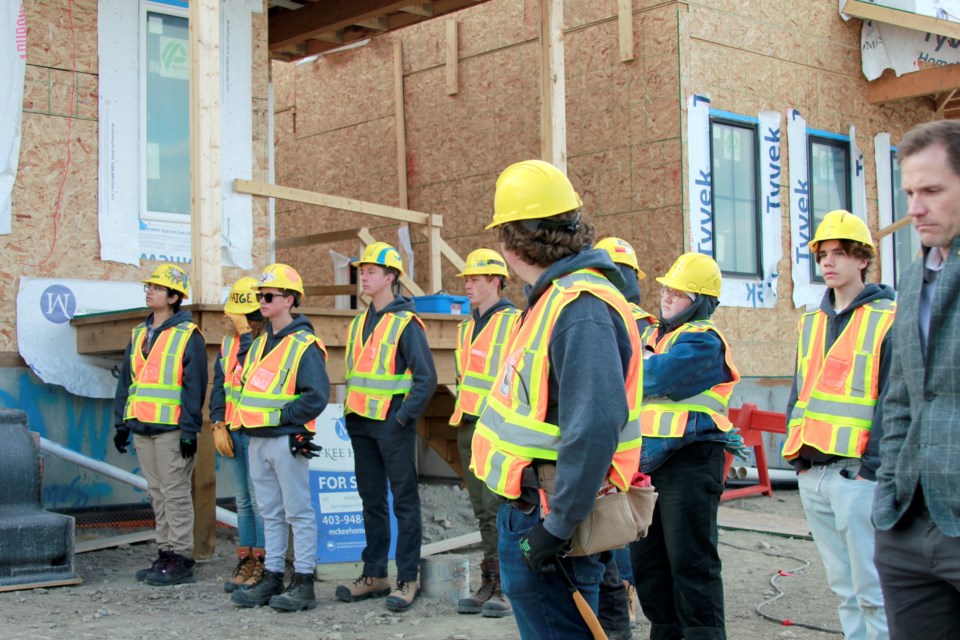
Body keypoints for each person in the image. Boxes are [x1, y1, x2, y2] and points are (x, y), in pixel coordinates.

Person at [470, 159, 643, 639]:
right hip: (536, 506)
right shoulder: (553, 299)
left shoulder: (577, 307)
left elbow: (593, 429)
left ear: (511, 240)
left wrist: (556, 528)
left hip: (549, 515)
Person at [783, 211, 895, 640]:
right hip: (815, 474)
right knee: (844, 590)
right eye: (824, 254)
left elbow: (891, 400)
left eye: (840, 254)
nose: (828, 263)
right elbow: (800, 396)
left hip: (858, 476)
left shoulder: (887, 318)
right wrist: (799, 462)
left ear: (862, 259)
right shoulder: (811, 322)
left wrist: (872, 469)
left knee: (873, 591)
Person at [873, 119, 960, 640]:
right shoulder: (913, 274)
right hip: (907, 526)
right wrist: (888, 501)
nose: (915, 208)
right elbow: (902, 397)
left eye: (931, 191)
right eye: (909, 191)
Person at [629, 252, 740, 640]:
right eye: (667, 291)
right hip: (647, 464)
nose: (667, 299)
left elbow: (657, 377)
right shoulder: (651, 336)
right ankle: (666, 630)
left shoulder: (702, 340)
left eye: (679, 294)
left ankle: (702, 634)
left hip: (690, 461)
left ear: (701, 302)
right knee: (648, 563)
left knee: (691, 561)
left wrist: (637, 365)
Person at [335, 242, 438, 612]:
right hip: (361, 424)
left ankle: (407, 577)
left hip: (391, 425)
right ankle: (374, 573)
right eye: (362, 270)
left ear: (390, 278)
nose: (363, 275)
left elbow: (426, 378)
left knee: (404, 503)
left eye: (371, 271)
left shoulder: (405, 323)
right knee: (371, 501)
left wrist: (402, 416)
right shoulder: (360, 321)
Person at [230, 264, 329, 612]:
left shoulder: (304, 345)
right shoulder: (258, 345)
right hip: (258, 440)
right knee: (270, 512)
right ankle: (272, 575)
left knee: (298, 512)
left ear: (289, 300)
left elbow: (317, 396)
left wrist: (283, 420)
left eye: (268, 295)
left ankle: (303, 582)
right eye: (261, 295)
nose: (262, 301)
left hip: (286, 440)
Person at [113, 263, 208, 586]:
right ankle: (165, 553)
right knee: (157, 493)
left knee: (175, 493)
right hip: (142, 427)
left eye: (157, 287)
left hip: (172, 429)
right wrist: (121, 424)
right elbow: (127, 383)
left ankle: (182, 557)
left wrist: (190, 431)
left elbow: (195, 387)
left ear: (173, 297)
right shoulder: (140, 333)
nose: (149, 291)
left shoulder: (187, 335)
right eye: (149, 286)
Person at [449, 248, 520, 618]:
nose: (468, 285)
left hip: (498, 428)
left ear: (496, 281)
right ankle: (490, 579)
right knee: (481, 509)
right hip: (468, 425)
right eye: (466, 279)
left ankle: (506, 585)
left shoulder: (514, 322)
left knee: (498, 509)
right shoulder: (465, 327)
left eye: (475, 279)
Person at [594, 236, 656, 640]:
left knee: (622, 524)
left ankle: (624, 599)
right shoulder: (637, 321)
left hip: (630, 442)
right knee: (618, 525)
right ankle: (621, 599)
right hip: (626, 440)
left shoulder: (639, 323)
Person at [209, 277, 267, 593]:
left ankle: (263, 562)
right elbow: (220, 385)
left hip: (256, 430)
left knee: (260, 502)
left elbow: (254, 371)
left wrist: (245, 334)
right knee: (243, 500)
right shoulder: (229, 343)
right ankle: (246, 559)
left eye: (240, 317)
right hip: (233, 428)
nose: (233, 322)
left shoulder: (265, 341)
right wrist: (217, 422)